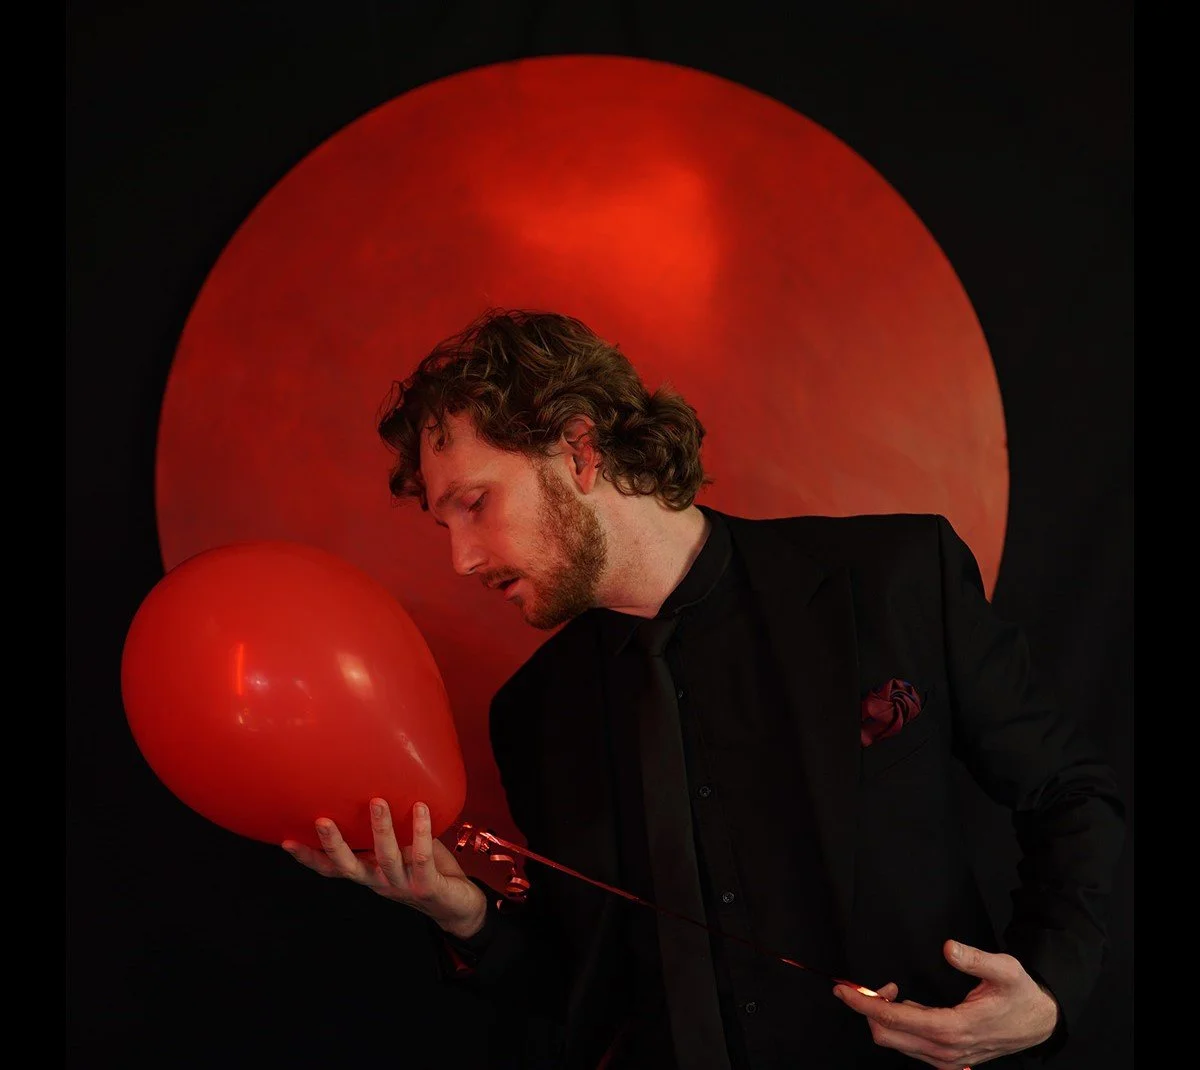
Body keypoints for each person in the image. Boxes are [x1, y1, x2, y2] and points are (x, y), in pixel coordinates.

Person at [283, 309, 1126, 1069]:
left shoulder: (896, 576)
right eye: (444, 523)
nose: (461, 558)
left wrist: (1046, 992)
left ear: (578, 448)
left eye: (475, 503)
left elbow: (1071, 793)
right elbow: (585, 987)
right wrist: (462, 911)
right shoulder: (534, 713)